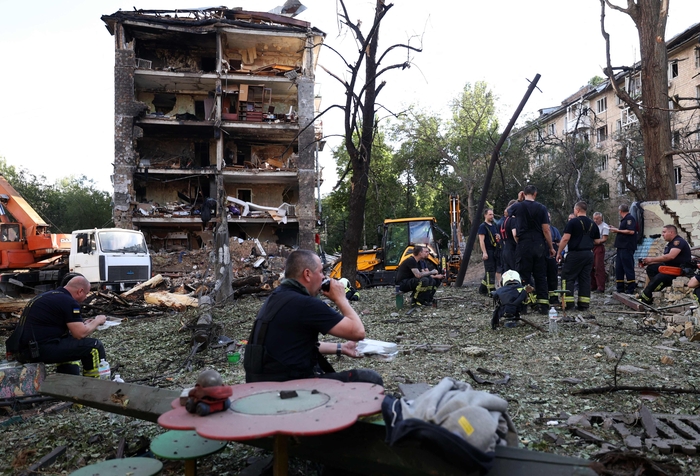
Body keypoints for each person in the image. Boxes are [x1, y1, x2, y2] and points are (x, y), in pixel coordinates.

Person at [244, 249, 383, 385]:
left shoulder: (276, 297)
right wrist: (341, 299)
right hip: (289, 388)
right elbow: (358, 332)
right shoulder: (305, 304)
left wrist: (342, 348)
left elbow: (295, 346)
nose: (324, 277)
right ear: (307, 274)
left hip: (262, 383)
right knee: (370, 379)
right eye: (321, 271)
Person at [9, 276, 107, 376]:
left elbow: (61, 327)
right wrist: (97, 321)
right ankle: (96, 386)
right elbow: (80, 334)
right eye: (86, 293)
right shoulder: (69, 302)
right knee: (94, 347)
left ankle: (68, 383)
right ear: (80, 291)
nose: (86, 297)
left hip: (23, 349)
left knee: (70, 343)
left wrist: (85, 323)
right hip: (36, 351)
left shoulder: (50, 296)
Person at [509, 185, 555, 314]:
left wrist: (519, 200)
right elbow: (546, 229)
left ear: (524, 194)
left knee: (523, 276)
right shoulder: (542, 208)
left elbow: (507, 212)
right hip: (539, 244)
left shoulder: (518, 206)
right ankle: (543, 306)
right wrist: (550, 247)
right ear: (535, 194)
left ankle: (522, 306)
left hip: (524, 244)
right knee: (540, 276)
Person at [556, 202, 601, 311]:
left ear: (577, 210)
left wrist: (559, 252)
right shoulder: (593, 224)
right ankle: (584, 305)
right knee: (585, 279)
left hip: (575, 254)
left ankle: (568, 304)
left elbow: (565, 238)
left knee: (568, 277)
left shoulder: (573, 222)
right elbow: (597, 240)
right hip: (589, 254)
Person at [638, 225, 692, 305]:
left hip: (677, 271)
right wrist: (648, 262)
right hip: (668, 268)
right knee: (651, 268)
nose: (662, 234)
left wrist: (652, 259)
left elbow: (670, 256)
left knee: (659, 277)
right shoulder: (669, 244)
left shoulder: (678, 242)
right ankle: (655, 289)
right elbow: (664, 259)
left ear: (671, 232)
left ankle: (645, 297)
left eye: (664, 232)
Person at [609, 204, 638, 294]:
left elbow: (631, 231)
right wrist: (615, 229)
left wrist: (617, 230)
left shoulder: (630, 219)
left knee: (628, 267)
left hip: (627, 247)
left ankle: (630, 289)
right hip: (621, 247)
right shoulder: (624, 220)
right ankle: (620, 288)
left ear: (620, 211)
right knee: (619, 268)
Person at [478, 208, 501, 296]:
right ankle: (491, 290)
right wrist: (484, 252)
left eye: (492, 214)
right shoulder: (483, 226)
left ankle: (482, 289)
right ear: (485, 215)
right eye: (490, 214)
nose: (492, 216)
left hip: (495, 250)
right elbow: (481, 240)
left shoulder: (494, 225)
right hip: (488, 250)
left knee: (492, 269)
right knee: (490, 271)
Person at [590, 212, 610, 293]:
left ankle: (600, 286)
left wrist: (597, 241)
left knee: (598, 266)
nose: (595, 220)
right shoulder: (591, 225)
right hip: (591, 247)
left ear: (601, 218)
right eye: (594, 219)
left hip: (599, 247)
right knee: (590, 266)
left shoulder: (604, 226)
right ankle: (592, 285)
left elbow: (604, 238)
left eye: (597, 219)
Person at [500, 200, 518, 273]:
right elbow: (515, 234)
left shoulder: (505, 220)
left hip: (505, 249)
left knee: (507, 273)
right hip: (513, 250)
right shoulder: (513, 220)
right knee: (516, 272)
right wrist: (519, 243)